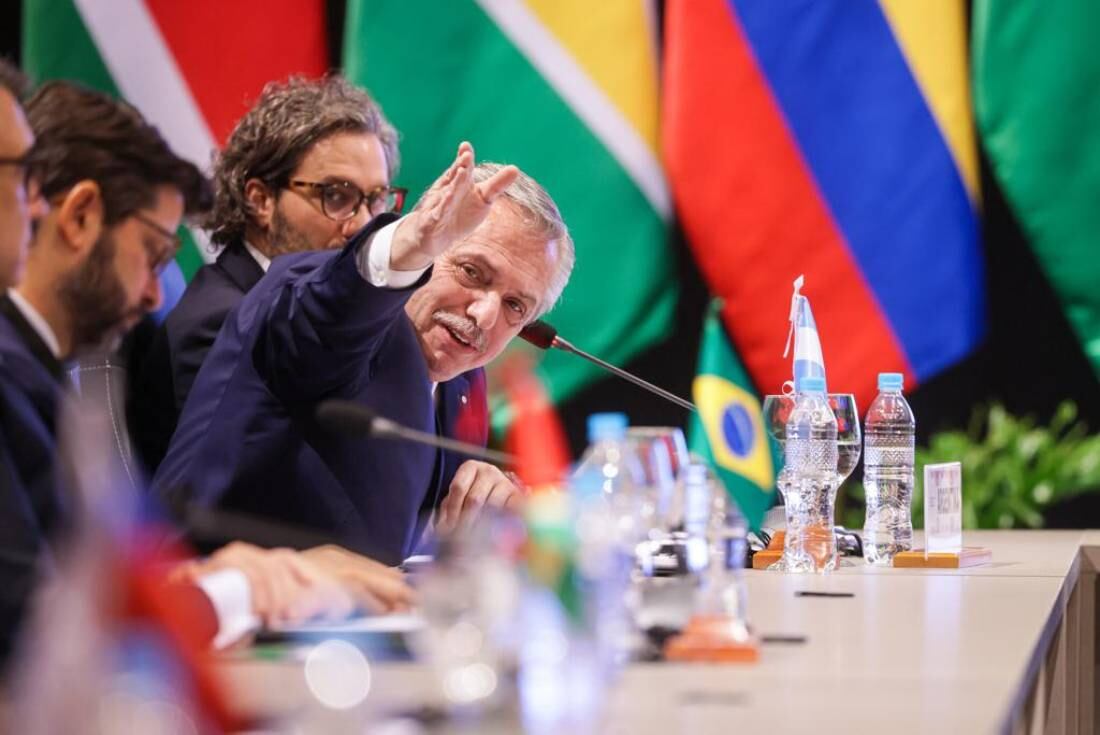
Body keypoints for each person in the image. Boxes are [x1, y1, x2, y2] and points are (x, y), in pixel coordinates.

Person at [0, 79, 410, 671]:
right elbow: (36, 635)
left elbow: (83, 581)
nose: (150, 296)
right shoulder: (15, 373)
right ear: (81, 215)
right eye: (21, 182)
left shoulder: (35, 374)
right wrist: (247, 585)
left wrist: (229, 574)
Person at [154, 143, 575, 565]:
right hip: (206, 604)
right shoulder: (324, 310)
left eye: (515, 306)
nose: (484, 315)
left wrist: (487, 501)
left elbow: (419, 530)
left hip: (359, 619)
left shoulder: (462, 376)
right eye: (471, 271)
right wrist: (410, 243)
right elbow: (328, 310)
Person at [130, 75, 403, 473]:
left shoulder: (314, 315)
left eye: (376, 200)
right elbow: (250, 488)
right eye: (336, 196)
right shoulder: (218, 321)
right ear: (260, 199)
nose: (362, 225)